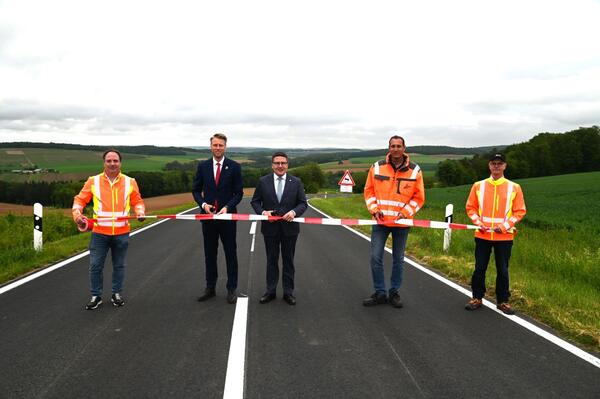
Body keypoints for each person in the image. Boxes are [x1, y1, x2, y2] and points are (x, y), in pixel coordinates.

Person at [72, 149, 145, 310]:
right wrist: (77, 214)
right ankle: (96, 295)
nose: (112, 163)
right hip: (99, 233)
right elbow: (79, 200)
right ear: (104, 162)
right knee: (96, 265)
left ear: (120, 162)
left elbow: (137, 201)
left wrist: (140, 212)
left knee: (119, 265)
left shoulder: (130, 181)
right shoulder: (93, 181)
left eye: (115, 161)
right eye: (109, 161)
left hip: (122, 233)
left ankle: (116, 293)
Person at [362, 135, 425, 308]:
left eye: (399, 146)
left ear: (404, 148)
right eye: (392, 146)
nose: (395, 149)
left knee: (398, 259)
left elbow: (418, 198)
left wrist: (405, 213)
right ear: (388, 148)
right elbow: (369, 191)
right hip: (381, 222)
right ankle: (380, 292)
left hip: (402, 223)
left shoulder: (414, 170)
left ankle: (394, 292)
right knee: (375, 257)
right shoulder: (377, 167)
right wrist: (374, 210)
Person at [464, 153, 526, 315]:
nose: (496, 166)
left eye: (500, 163)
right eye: (493, 163)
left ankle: (503, 301)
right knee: (479, 268)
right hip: (482, 235)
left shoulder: (514, 187)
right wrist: (479, 223)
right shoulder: (478, 186)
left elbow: (520, 211)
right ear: (489, 166)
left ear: (505, 166)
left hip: (504, 236)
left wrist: (505, 226)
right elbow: (470, 208)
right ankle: (477, 298)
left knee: (503, 270)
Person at [251, 152, 308, 306]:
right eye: (277, 163)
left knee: (288, 261)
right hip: (270, 229)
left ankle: (288, 292)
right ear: (272, 165)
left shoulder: (296, 182)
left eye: (283, 163)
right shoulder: (263, 181)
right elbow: (255, 202)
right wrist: (263, 212)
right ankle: (270, 291)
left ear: (287, 165)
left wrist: (294, 212)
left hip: (290, 229)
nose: (280, 166)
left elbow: (303, 203)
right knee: (271, 260)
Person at [192, 133, 243, 304]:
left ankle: (231, 289)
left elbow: (239, 193)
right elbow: (196, 190)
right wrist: (203, 205)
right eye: (215, 145)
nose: (218, 148)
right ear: (210, 147)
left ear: (225, 147)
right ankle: (210, 288)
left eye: (221, 145)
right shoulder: (203, 166)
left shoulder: (234, 167)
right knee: (209, 254)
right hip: (208, 219)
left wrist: (227, 207)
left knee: (230, 254)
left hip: (228, 218)